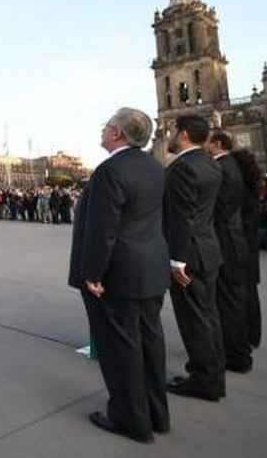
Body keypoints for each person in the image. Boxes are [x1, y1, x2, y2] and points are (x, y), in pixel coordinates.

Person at [68, 107, 170, 444]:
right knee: (150, 344)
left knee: (120, 349)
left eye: (107, 125)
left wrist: (93, 273)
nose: (103, 129)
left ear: (118, 134)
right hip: (150, 270)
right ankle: (156, 414)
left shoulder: (110, 171)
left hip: (119, 273)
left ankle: (129, 418)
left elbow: (103, 228)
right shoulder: (154, 167)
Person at [164, 114, 225, 401]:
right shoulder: (210, 163)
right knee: (208, 316)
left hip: (189, 256)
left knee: (195, 319)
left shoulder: (183, 168)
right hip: (207, 249)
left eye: (173, 131)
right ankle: (213, 376)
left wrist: (177, 260)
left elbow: (182, 217)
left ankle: (204, 380)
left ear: (184, 134)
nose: (170, 136)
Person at [205, 129, 253, 373]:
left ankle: (236, 355)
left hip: (225, 240)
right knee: (231, 300)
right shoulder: (229, 165)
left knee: (228, 301)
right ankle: (237, 351)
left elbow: (217, 208)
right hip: (232, 238)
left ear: (218, 144)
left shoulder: (222, 167)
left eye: (207, 141)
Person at [232, 148, 264, 348]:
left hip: (242, 243)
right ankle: (254, 334)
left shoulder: (242, 188)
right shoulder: (253, 186)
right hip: (250, 243)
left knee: (243, 292)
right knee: (250, 291)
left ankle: (247, 334)